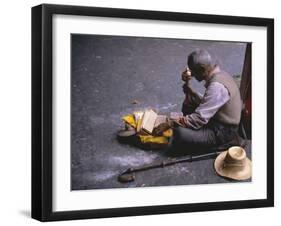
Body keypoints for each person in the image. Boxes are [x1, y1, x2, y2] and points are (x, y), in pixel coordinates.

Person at [162, 49, 243, 155]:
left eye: (193, 71)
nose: (192, 75)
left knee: (179, 132)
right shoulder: (219, 74)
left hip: (223, 131)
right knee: (190, 102)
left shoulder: (216, 87)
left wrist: (171, 123)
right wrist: (191, 91)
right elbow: (210, 102)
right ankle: (198, 135)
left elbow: (199, 119)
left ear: (202, 69)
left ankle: (225, 143)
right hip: (218, 118)